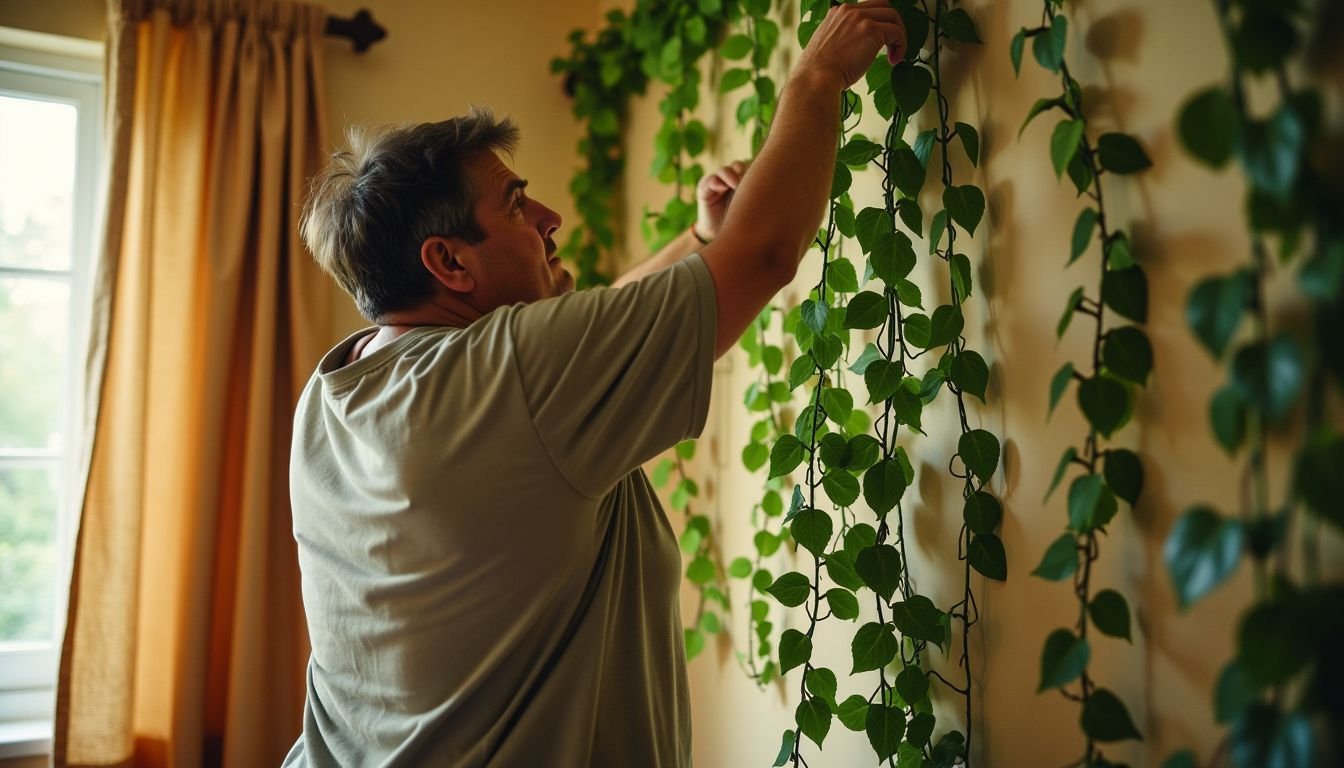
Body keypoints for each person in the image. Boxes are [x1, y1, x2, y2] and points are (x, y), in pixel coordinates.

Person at [282, 3, 906, 766]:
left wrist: (699, 241)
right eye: (516, 203)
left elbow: (564, 357)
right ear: (449, 263)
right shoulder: (511, 378)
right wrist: (818, 75)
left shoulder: (341, 388)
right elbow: (768, 253)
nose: (550, 218)